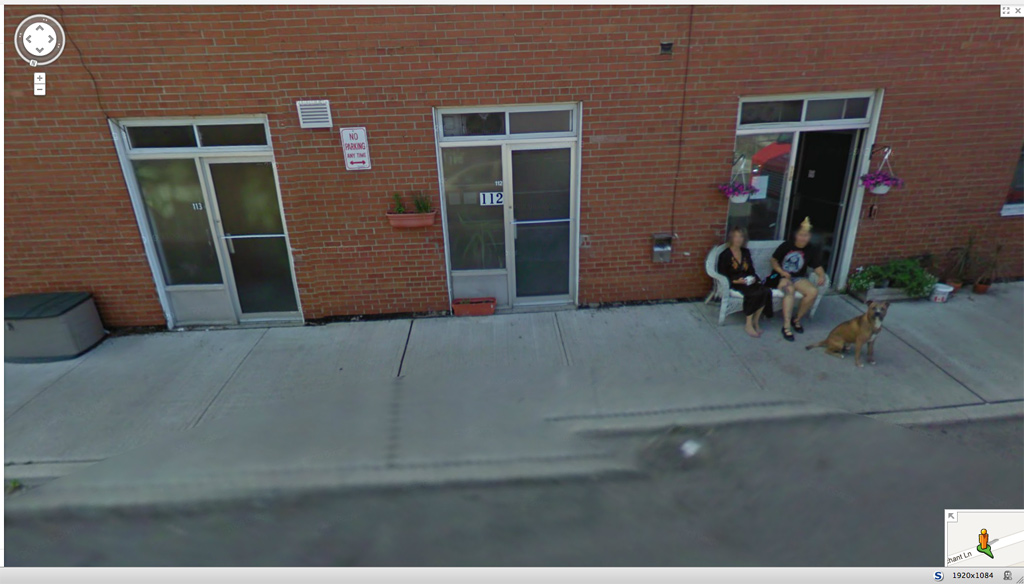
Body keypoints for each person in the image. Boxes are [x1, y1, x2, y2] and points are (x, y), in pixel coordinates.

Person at [765, 217, 827, 341]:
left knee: (813, 292)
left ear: (809, 237)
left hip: (798, 277)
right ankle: (786, 325)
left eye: (806, 235)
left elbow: (817, 266)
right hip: (782, 276)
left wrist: (821, 275)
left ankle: (797, 319)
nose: (803, 238)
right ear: (796, 235)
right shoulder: (787, 245)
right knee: (789, 291)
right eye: (801, 235)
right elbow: (773, 260)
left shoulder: (811, 249)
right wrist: (782, 271)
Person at [717, 226, 774, 338]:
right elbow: (722, 274)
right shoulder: (725, 254)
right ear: (731, 238)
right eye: (736, 236)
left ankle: (755, 321)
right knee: (753, 294)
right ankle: (748, 324)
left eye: (741, 236)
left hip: (747, 280)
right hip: (734, 282)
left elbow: (751, 270)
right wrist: (736, 281)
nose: (738, 239)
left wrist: (753, 278)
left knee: (766, 291)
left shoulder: (745, 252)